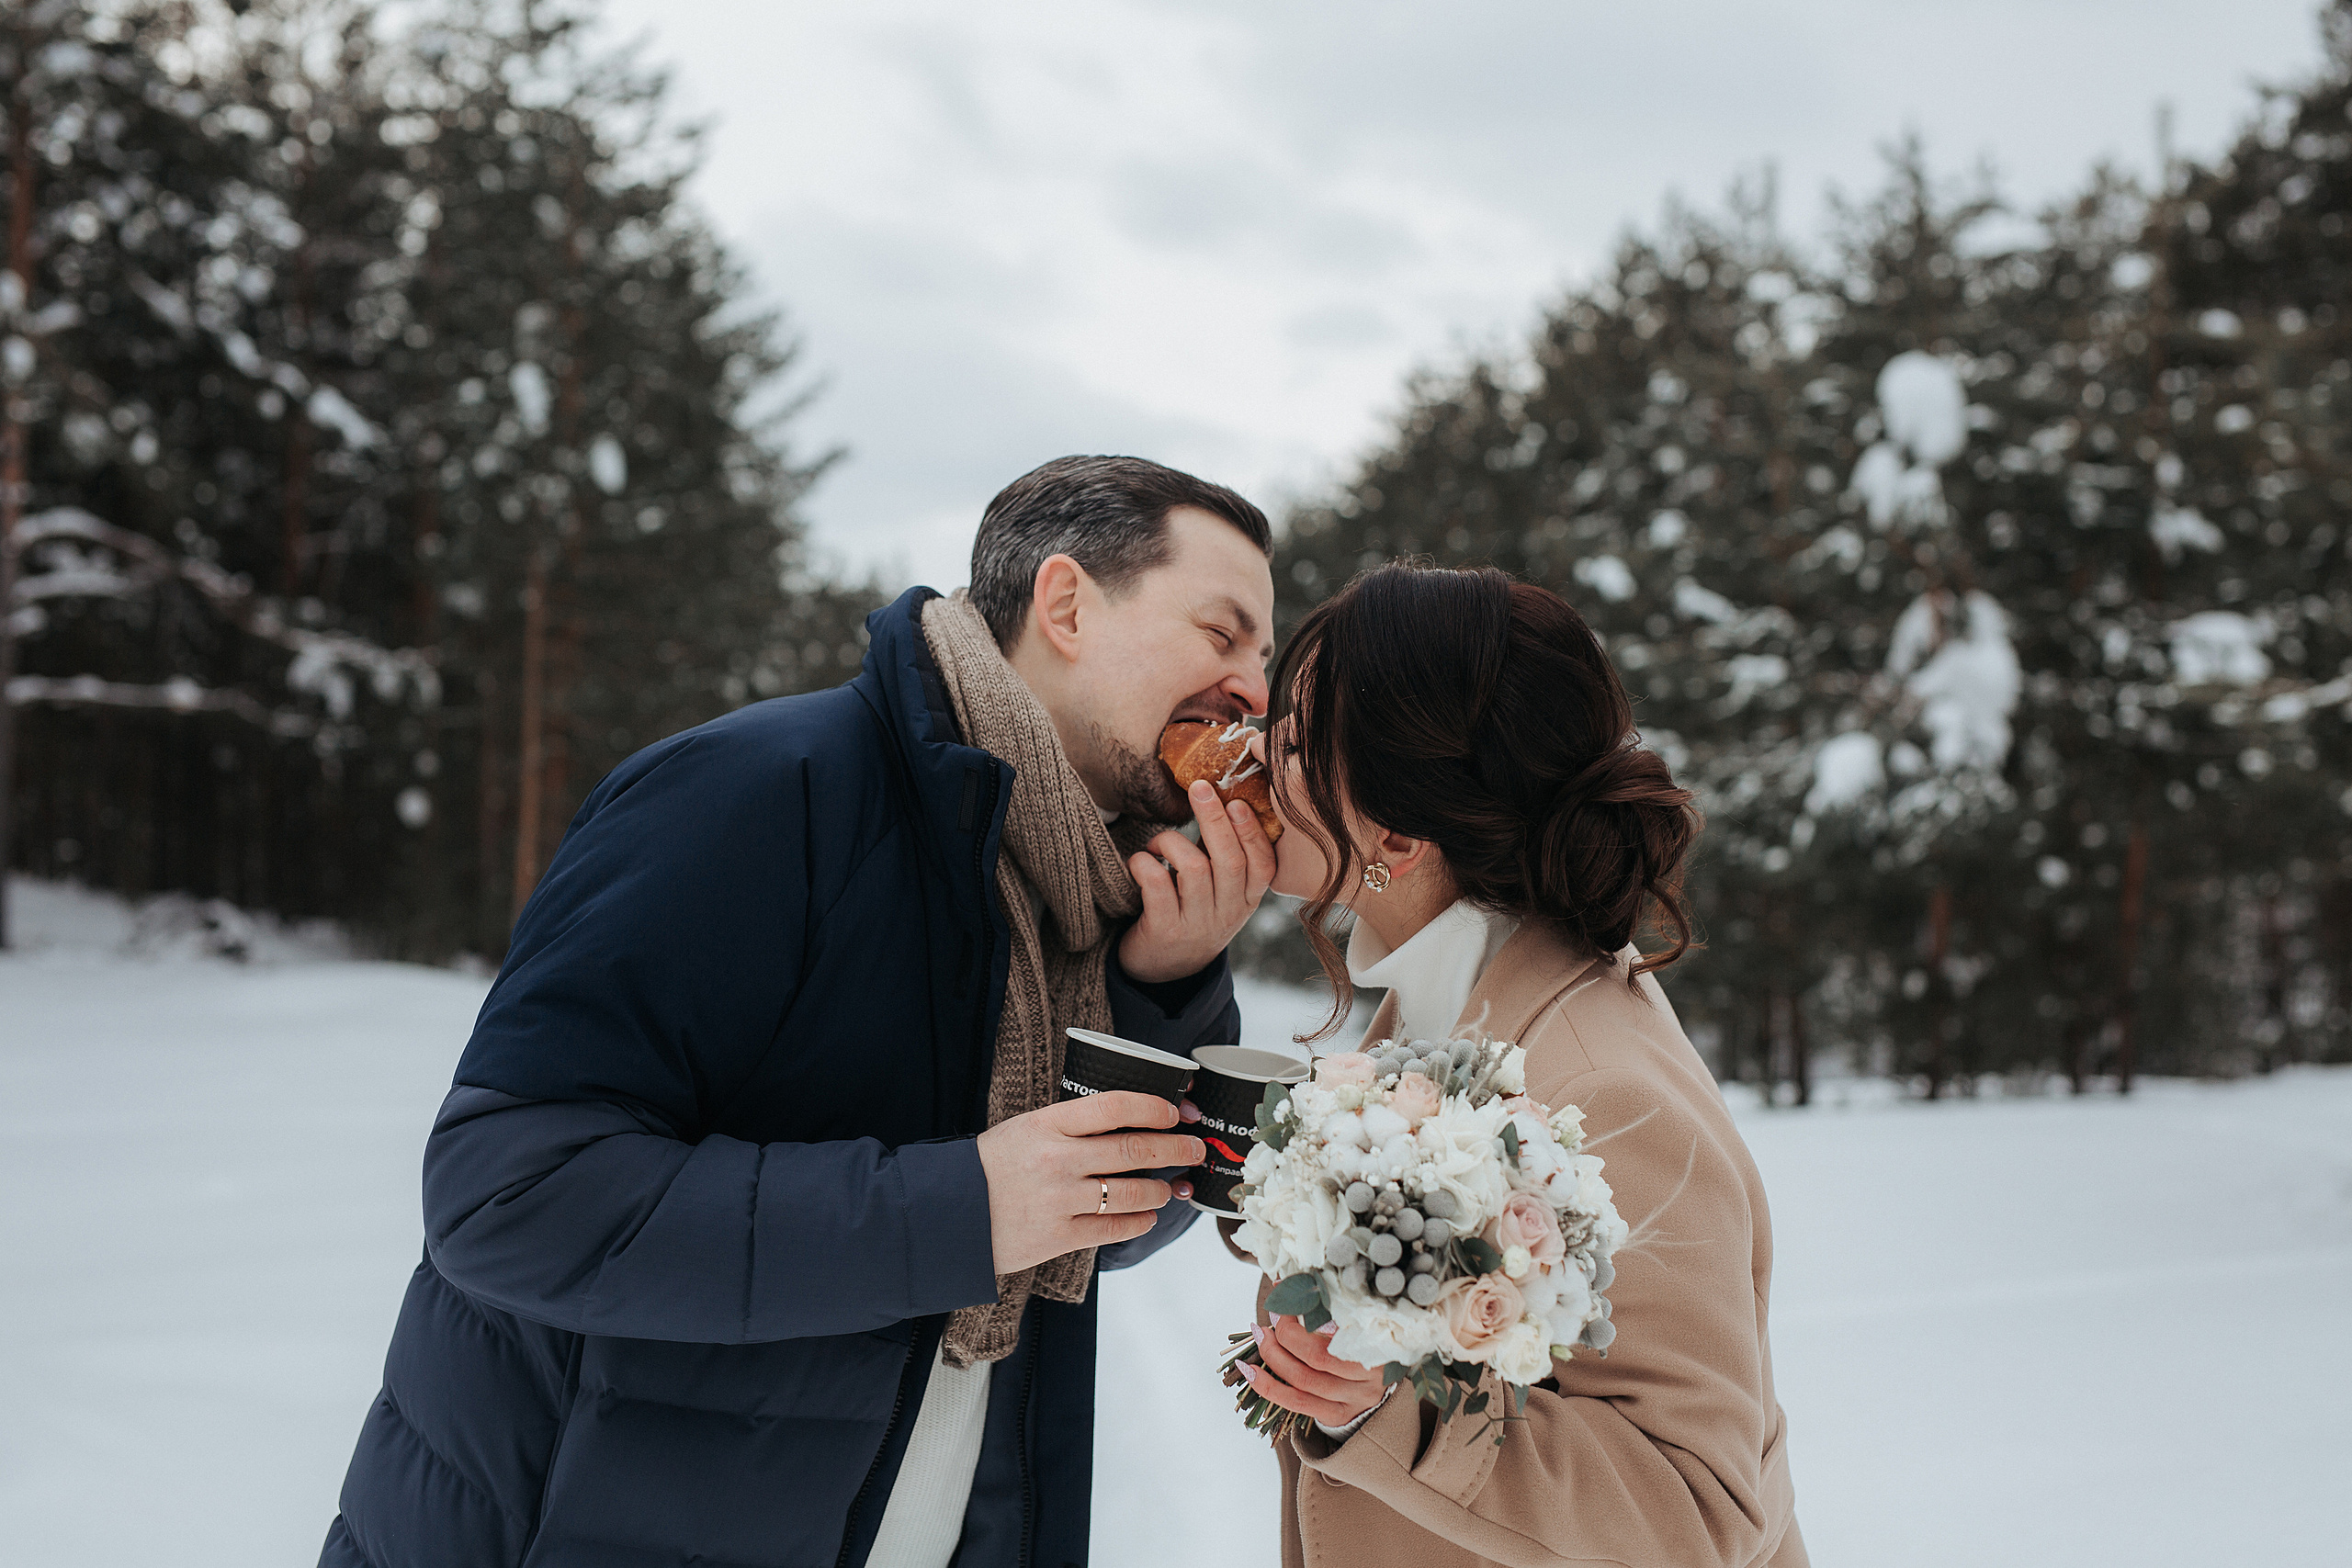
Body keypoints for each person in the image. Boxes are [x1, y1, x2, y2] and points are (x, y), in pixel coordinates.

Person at [319, 456, 1281, 1568]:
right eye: (1223, 635)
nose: (1256, 691)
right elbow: (504, 1197)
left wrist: (1159, 989)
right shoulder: (755, 794)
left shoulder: (1085, 891)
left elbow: (1089, 1236)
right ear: (1066, 605)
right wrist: (959, 1209)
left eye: (1264, 657)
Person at [1236, 562, 1806, 1568]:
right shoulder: (1435, 1016)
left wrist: (1395, 1415)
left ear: (1397, 834)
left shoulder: (1604, 1088)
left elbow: (1700, 1511)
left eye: (1291, 740)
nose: (1250, 754)